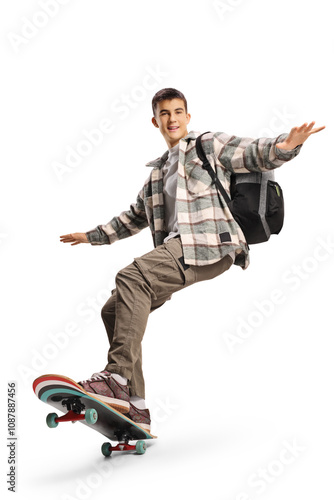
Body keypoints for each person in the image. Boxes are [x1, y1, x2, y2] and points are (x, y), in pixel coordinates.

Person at [60, 88, 325, 432]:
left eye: (178, 112)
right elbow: (134, 217)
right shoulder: (157, 175)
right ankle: (134, 405)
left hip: (209, 243)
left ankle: (116, 379)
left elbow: (253, 153)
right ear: (155, 121)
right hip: (178, 249)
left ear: (188, 116)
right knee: (112, 309)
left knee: (131, 277)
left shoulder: (207, 145)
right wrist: (91, 235)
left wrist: (285, 146)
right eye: (165, 114)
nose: (172, 119)